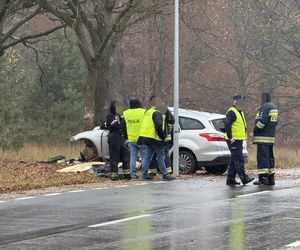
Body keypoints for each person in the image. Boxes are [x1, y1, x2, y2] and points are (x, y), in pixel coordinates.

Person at [138, 96, 176, 181]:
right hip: (154, 138)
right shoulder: (157, 113)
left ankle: (144, 175)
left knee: (148, 156)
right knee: (161, 156)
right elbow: (158, 126)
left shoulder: (148, 111)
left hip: (146, 137)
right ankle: (165, 175)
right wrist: (163, 137)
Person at [224, 95, 254, 186]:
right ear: (235, 102)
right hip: (234, 140)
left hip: (238, 139)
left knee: (234, 159)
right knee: (239, 159)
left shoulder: (239, 112)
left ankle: (230, 179)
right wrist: (230, 137)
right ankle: (244, 178)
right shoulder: (232, 112)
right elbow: (227, 124)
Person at [253, 92, 278, 185]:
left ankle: (263, 178)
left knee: (262, 158)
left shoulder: (265, 107)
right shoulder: (273, 107)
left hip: (262, 136)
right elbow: (276, 122)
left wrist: (255, 131)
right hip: (270, 137)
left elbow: (261, 122)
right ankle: (271, 179)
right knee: (270, 157)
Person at [106, 101, 130, 181]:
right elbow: (111, 126)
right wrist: (114, 124)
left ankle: (127, 175)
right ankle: (114, 175)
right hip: (114, 137)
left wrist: (126, 137)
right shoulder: (110, 116)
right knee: (114, 156)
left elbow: (123, 126)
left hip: (121, 137)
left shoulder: (119, 116)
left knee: (125, 155)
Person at [123, 98, 147, 180]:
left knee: (133, 157)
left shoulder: (126, 113)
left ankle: (133, 175)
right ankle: (144, 175)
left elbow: (124, 127)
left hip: (131, 138)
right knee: (144, 157)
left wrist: (126, 137)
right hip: (142, 138)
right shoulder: (143, 112)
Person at [148, 107, 174, 176]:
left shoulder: (150, 111)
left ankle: (152, 172)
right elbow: (172, 120)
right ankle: (167, 171)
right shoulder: (164, 110)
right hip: (163, 136)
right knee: (163, 155)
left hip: (152, 136)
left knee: (153, 154)